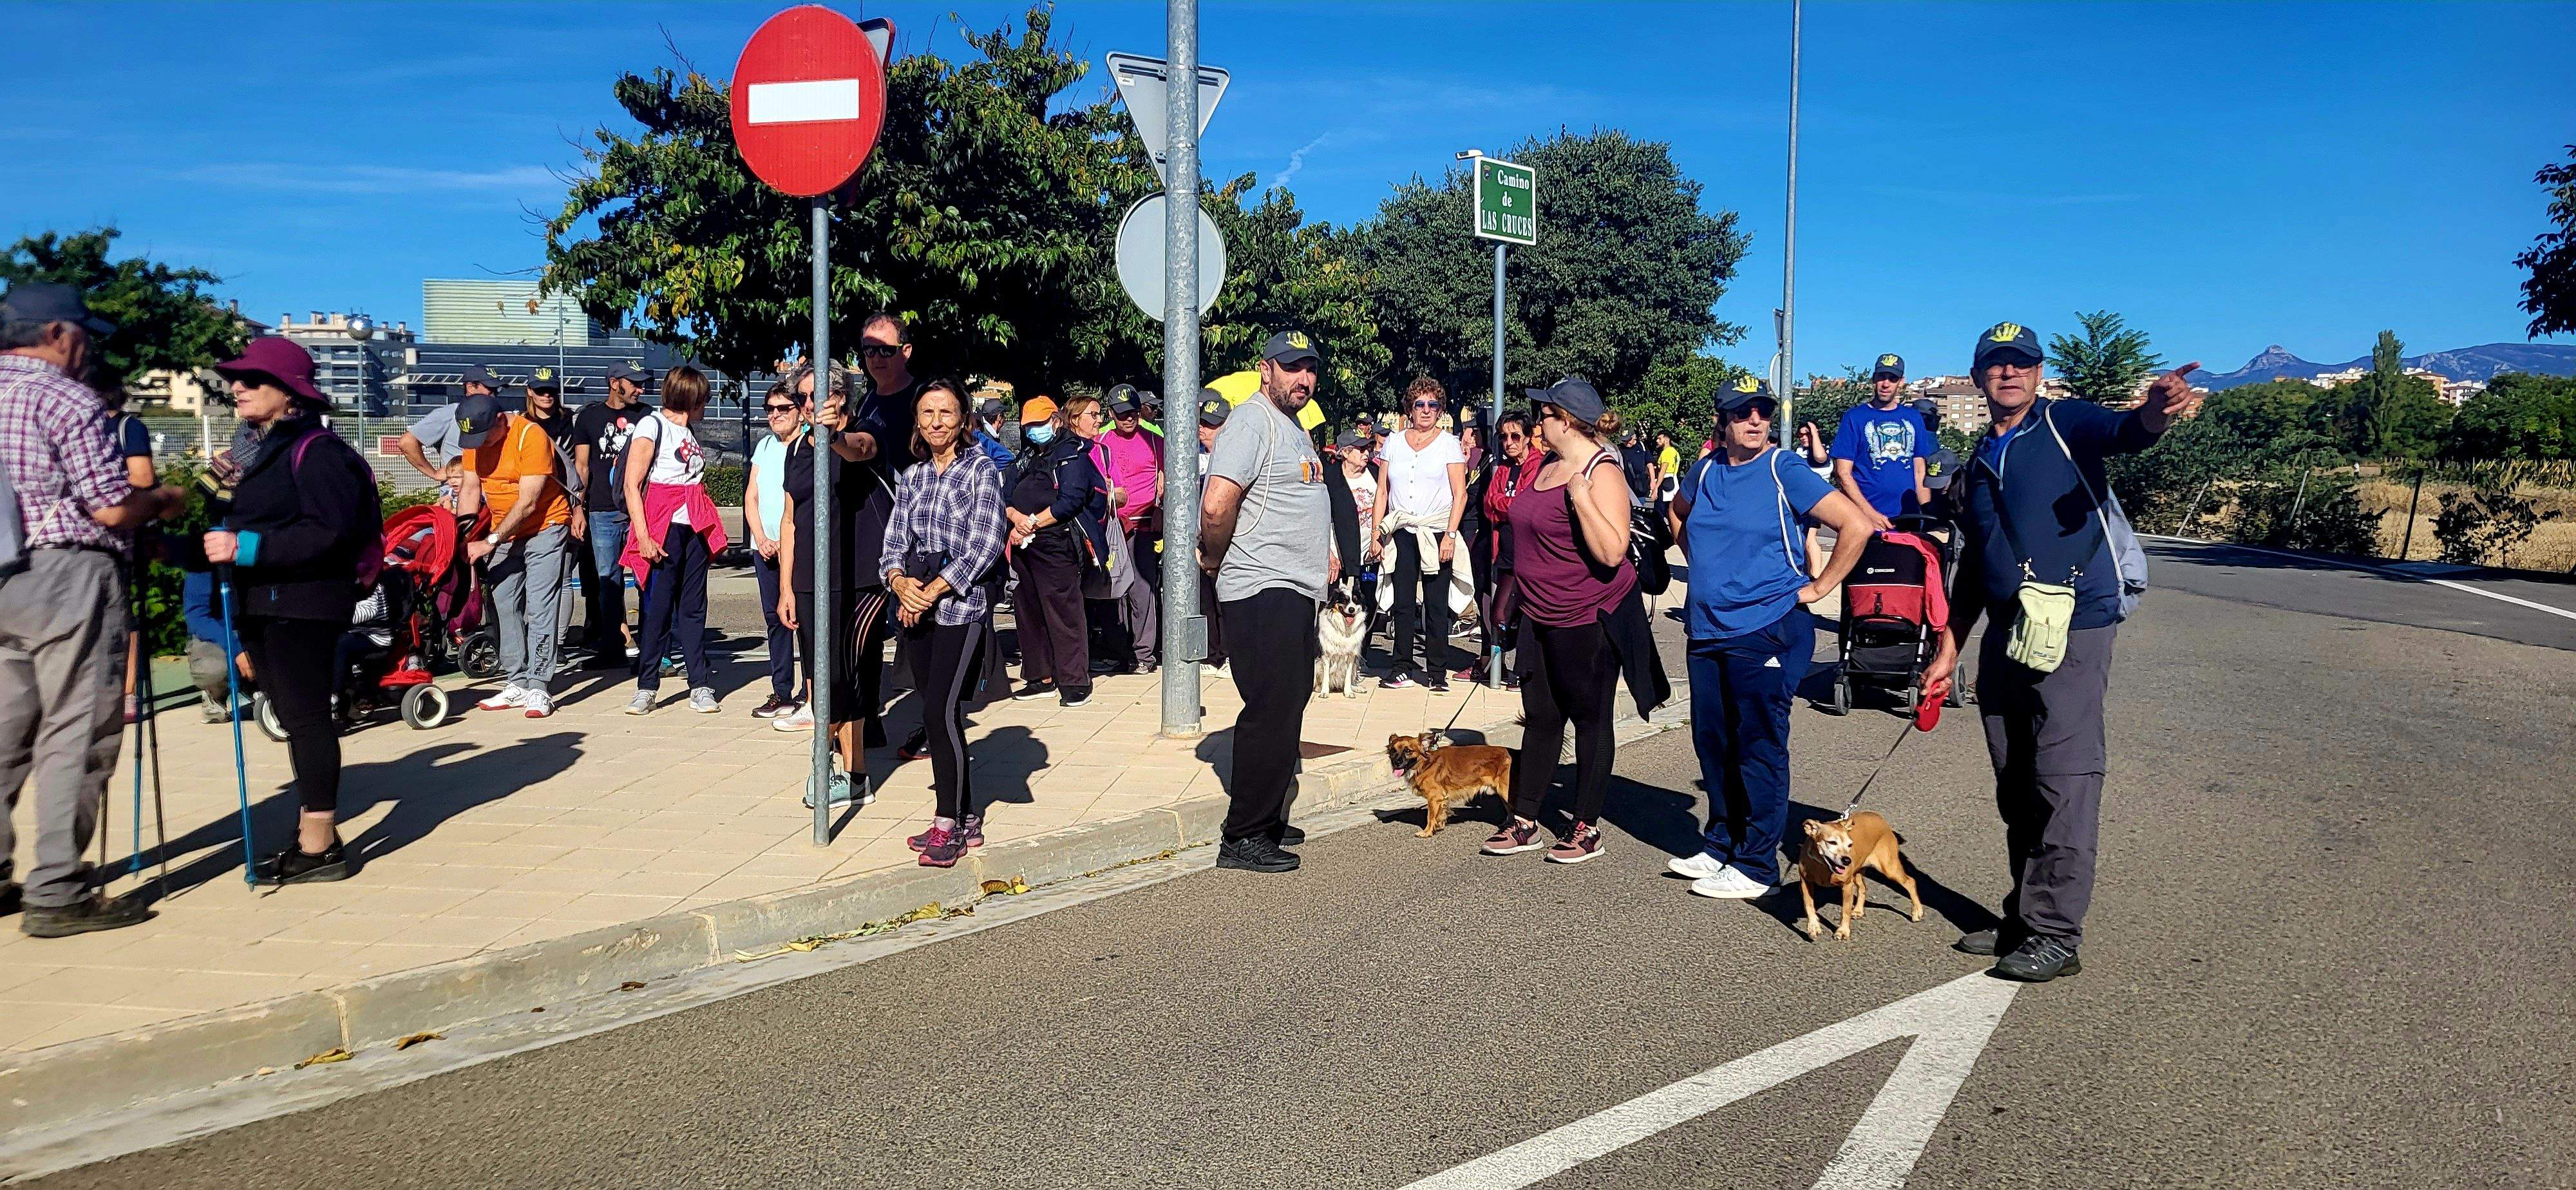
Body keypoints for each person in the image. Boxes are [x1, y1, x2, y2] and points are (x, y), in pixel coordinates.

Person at [1920, 323, 2201, 983]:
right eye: (1996, 365)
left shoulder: (2064, 423)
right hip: (2007, 632)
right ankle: (2024, 915)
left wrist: (2157, 411)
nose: (2008, 373)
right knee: (2015, 778)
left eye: (2021, 363)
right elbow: (1973, 567)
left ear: (2039, 372)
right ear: (1978, 377)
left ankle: (2055, 932)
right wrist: (1949, 647)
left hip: (2073, 624)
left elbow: (2126, 432)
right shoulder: (1980, 459)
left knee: (2063, 776)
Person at [0, 282, 187, 935]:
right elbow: (110, 508)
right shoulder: (66, 398)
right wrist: (164, 500)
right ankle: (57, 891)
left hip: (3, 573)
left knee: (5, 729)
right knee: (76, 731)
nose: (88, 349)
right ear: (57, 333)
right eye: (83, 334)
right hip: (66, 574)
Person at [1664, 376, 1875, 900]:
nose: (1755, 420)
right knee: (1714, 742)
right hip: (1707, 629)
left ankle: (1757, 864)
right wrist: (1706, 566)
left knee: (1757, 745)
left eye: (1762, 411)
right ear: (1722, 422)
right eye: (1742, 413)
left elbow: (1856, 526)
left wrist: (1820, 587)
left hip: (1767, 628)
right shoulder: (1706, 469)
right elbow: (1676, 514)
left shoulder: (1784, 469)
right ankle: (1722, 842)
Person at [193, 337, 381, 885]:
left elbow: (329, 533)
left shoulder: (318, 451)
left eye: (253, 380)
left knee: (305, 718)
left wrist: (245, 547)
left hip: (305, 604)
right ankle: (313, 836)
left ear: (290, 393)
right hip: (262, 603)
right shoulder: (250, 451)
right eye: (236, 378)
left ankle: (320, 845)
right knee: (294, 717)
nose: (238, 387)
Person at [1479, 379, 1670, 864]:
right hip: (1537, 613)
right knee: (1541, 718)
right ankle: (1525, 820)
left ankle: (1586, 828)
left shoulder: (1601, 470)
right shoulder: (1546, 464)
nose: (1536, 422)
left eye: (1543, 414)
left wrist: (1581, 499)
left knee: (1589, 719)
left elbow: (1612, 552)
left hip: (1588, 617)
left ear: (1565, 420)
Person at [1200, 330, 1338, 874]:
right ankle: (1243, 835)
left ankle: (1267, 814)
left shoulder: (1292, 426)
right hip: (1262, 587)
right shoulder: (1252, 421)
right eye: (1291, 367)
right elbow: (1217, 506)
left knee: (1288, 704)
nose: (1303, 378)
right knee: (1270, 710)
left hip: (1293, 587)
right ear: (1266, 370)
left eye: (1310, 368)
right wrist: (1214, 560)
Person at [878, 380, 1007, 867]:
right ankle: (966, 814)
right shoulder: (912, 477)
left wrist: (931, 591)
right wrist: (900, 584)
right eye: (927, 413)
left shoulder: (980, 470)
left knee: (939, 712)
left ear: (964, 420)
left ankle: (947, 824)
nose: (936, 422)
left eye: (946, 412)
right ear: (917, 420)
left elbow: (985, 545)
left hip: (961, 609)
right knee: (939, 713)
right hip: (915, 610)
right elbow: (894, 543)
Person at [453, 390, 573, 717]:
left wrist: (490, 542)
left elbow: (529, 502)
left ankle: (539, 685)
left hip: (546, 526)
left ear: (500, 420)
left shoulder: (529, 436)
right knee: (503, 601)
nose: (479, 445)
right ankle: (517, 681)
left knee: (540, 605)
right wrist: (464, 538)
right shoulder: (474, 442)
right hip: (504, 532)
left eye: (484, 436)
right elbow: (470, 489)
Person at [618, 366, 723, 715]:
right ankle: (646, 687)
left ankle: (700, 684)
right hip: (664, 529)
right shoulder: (652, 425)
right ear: (691, 398)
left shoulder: (687, 430)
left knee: (693, 609)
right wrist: (644, 538)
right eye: (704, 398)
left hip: (695, 526)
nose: (706, 404)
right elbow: (632, 484)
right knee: (658, 610)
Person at [1004, 396, 1106, 707]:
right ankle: (1040, 676)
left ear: (1055, 421)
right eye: (1028, 426)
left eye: (1039, 424)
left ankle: (1075, 681)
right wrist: (1016, 519)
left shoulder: (1072, 453)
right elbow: (1005, 494)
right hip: (1024, 543)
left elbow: (1070, 501)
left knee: (1063, 610)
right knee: (1028, 609)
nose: (1033, 431)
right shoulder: (1026, 457)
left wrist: (1033, 522)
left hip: (1057, 541)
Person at [1373, 377, 1467, 690]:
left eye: (1433, 405)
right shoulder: (1394, 442)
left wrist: (1450, 535)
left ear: (1440, 410)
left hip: (1437, 530)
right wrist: (1376, 533)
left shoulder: (1449, 443)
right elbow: (1382, 491)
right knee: (1402, 602)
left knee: (1436, 604)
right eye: (1420, 404)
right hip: (1402, 529)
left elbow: (1460, 494)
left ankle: (1437, 672)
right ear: (1410, 409)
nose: (1426, 410)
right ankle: (1401, 666)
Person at [571, 359, 652, 664]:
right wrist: (578, 507)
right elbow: (582, 466)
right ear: (615, 383)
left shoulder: (647, 416)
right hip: (602, 511)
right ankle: (614, 646)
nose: (640, 389)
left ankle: (653, 648)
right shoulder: (590, 417)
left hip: (640, 510)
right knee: (608, 581)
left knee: (647, 578)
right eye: (634, 383)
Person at [1095, 386, 1164, 674]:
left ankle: (1145, 654)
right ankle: (1119, 652)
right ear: (1112, 414)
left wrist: (1160, 509)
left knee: (1142, 590)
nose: (1129, 419)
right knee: (1113, 590)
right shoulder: (1101, 442)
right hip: (1112, 528)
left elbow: (1167, 479)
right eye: (1122, 414)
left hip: (1143, 527)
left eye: (1133, 412)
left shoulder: (1154, 441)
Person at [744, 381, 802, 718]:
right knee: (774, 619)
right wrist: (762, 538)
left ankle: (812, 693)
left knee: (805, 618)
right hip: (764, 547)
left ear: (799, 411)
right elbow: (751, 496)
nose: (776, 415)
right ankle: (782, 691)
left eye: (783, 408)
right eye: (770, 409)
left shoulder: (808, 445)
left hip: (797, 547)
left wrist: (785, 541)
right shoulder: (765, 446)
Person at [1830, 353, 1934, 531]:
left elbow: (1919, 471)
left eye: (1892, 379)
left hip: (1908, 517)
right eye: (1881, 377)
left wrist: (1927, 514)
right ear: (1874, 379)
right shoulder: (1854, 418)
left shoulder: (1913, 418)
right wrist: (1870, 514)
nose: (1886, 384)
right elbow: (1843, 473)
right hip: (1864, 519)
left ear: (1901, 382)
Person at [1479, 410, 1535, 688]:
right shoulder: (1502, 468)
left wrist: (1504, 504)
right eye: (1504, 437)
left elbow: (1528, 506)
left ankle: (1524, 671)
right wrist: (1507, 505)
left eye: (1515, 436)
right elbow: (1489, 505)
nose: (1509, 442)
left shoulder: (1538, 465)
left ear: (1528, 437)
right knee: (1499, 613)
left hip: (1531, 553)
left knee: (1527, 614)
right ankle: (1499, 663)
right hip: (1505, 550)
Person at [397, 363, 501, 502]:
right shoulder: (451, 413)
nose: (494, 394)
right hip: (457, 501)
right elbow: (407, 442)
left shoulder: (498, 417)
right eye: (490, 388)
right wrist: (434, 473)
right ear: (470, 388)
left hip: (490, 499)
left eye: (497, 389)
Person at [1324, 428, 1379, 623]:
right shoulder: (1331, 477)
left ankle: (1364, 641)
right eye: (1361, 449)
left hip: (1371, 557)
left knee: (1368, 600)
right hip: (1339, 558)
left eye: (1368, 448)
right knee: (1335, 604)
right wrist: (1329, 554)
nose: (1367, 453)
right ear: (1346, 453)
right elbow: (1323, 517)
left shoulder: (1375, 472)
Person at [1194, 392, 1230, 672]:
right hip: (1202, 539)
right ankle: (1210, 654)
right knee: (1205, 599)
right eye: (1202, 422)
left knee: (1225, 601)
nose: (1203, 428)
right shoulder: (1193, 458)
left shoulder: (1231, 459)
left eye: (1211, 424)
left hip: (1227, 540)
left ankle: (1229, 654)